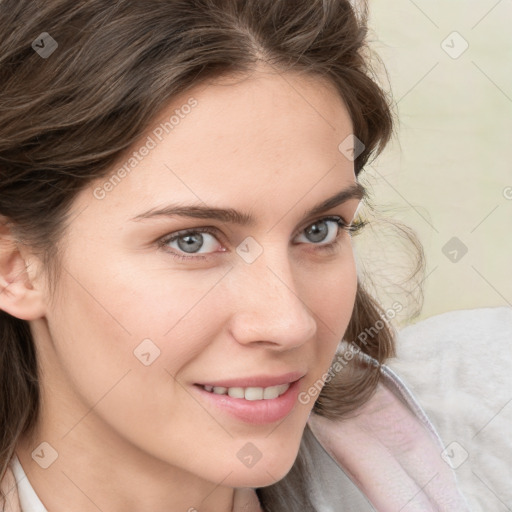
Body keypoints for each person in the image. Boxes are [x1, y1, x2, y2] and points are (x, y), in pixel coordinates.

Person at [0, 0, 471, 510]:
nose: (290, 324)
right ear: (17, 268)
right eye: (192, 241)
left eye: (319, 229)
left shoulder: (476, 435)